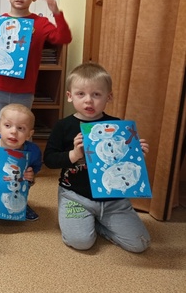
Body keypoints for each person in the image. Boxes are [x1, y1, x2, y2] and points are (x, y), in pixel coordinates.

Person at [44, 63, 150, 252]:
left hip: (113, 199)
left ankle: (99, 224)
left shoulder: (116, 125)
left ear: (109, 97)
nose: (88, 101)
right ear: (69, 96)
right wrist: (74, 154)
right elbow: (50, 160)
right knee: (81, 242)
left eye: (96, 94)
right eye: (81, 94)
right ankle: (86, 221)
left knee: (140, 244)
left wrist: (136, 155)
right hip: (75, 196)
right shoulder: (63, 126)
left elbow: (124, 162)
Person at [0, 0, 72, 134]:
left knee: (22, 129)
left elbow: (63, 38)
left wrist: (57, 14)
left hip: (24, 90)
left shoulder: (41, 23)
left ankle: (21, 153)